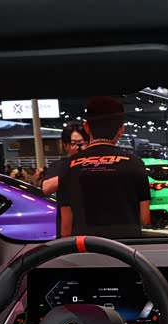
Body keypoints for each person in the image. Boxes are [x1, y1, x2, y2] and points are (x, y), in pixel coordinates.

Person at [58, 96, 150, 238]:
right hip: (125, 246)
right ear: (121, 130)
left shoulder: (69, 165)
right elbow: (144, 218)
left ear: (86, 127)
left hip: (85, 247)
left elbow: (66, 226)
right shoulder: (135, 163)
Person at [42, 122, 88, 196]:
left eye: (81, 143)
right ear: (65, 145)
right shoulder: (59, 165)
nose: (77, 147)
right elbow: (46, 188)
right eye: (73, 143)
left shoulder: (95, 162)